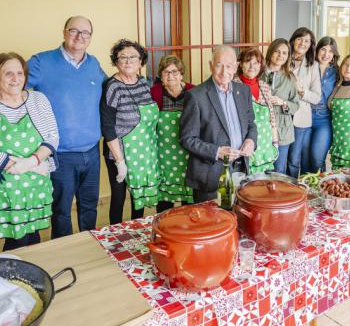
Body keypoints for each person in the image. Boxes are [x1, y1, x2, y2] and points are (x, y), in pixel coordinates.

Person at [0, 16, 106, 239]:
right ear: (64, 32)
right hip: (60, 153)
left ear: (90, 37)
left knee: (89, 206)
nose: (80, 37)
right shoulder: (42, 62)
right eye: (74, 31)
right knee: (61, 211)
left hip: (91, 151)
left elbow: (111, 87)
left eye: (86, 32)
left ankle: (90, 245)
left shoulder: (93, 64)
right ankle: (64, 250)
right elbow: (10, 82)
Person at [0, 53, 58, 251]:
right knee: (17, 236)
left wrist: (32, 162)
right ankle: (11, 274)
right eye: (8, 73)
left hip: (37, 180)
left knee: (34, 231)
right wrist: (31, 168)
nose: (15, 78)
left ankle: (31, 274)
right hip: (7, 182)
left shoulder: (38, 100)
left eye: (19, 73)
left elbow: (52, 137)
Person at [180, 45, 257, 202]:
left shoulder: (243, 92)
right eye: (219, 65)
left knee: (237, 217)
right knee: (212, 223)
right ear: (210, 65)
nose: (224, 71)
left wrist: (251, 141)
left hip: (240, 170)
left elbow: (251, 124)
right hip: (211, 175)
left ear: (236, 67)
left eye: (229, 66)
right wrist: (217, 152)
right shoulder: (196, 96)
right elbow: (187, 139)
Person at [101, 40, 162, 223]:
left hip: (142, 151)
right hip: (118, 152)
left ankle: (136, 227)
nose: (128, 62)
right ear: (116, 61)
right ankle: (114, 235)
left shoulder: (143, 83)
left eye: (133, 57)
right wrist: (120, 161)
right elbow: (108, 126)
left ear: (140, 60)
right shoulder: (112, 86)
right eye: (123, 57)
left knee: (139, 194)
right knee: (119, 197)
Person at [150, 55, 194, 208]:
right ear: (161, 76)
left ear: (181, 73)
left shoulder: (192, 91)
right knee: (164, 202)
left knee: (188, 200)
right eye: (166, 72)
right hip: (163, 155)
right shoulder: (154, 93)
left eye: (174, 72)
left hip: (188, 153)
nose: (170, 76)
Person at [235, 48, 279, 174]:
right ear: (241, 64)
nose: (252, 66)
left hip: (266, 146)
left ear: (261, 66)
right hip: (246, 145)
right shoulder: (234, 86)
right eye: (248, 62)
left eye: (256, 63)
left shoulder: (264, 86)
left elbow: (272, 117)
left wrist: (275, 143)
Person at [262, 39, 300, 174]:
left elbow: (296, 105)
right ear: (270, 52)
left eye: (284, 53)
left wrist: (282, 102)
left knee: (278, 171)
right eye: (277, 51)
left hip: (283, 131)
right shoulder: (259, 74)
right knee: (262, 169)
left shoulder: (290, 78)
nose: (280, 55)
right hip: (262, 131)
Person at [287, 27, 321, 176]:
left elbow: (316, 97)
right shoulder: (283, 58)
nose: (302, 43)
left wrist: (303, 92)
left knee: (294, 159)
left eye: (307, 41)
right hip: (281, 115)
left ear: (311, 44)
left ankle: (292, 193)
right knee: (279, 158)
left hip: (300, 118)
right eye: (300, 39)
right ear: (294, 40)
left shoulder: (313, 65)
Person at [308, 37, 339, 173]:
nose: (326, 54)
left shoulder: (337, 72)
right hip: (304, 117)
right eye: (323, 49)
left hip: (324, 119)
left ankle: (321, 190)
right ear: (317, 50)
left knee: (317, 159)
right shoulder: (307, 67)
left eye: (330, 51)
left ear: (334, 55)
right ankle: (307, 191)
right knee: (304, 159)